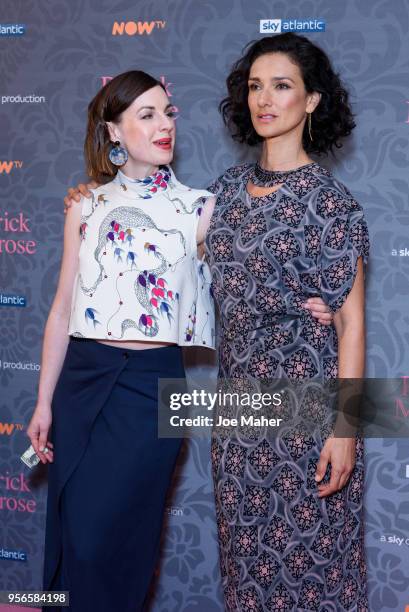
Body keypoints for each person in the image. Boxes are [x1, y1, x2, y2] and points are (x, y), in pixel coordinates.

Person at [27, 70, 217, 612]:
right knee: (80, 539)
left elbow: (255, 273)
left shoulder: (200, 209)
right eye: (147, 115)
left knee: (126, 542)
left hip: (154, 389)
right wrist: (43, 401)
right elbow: (62, 308)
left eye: (169, 113)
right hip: (83, 383)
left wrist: (322, 303)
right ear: (114, 130)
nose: (165, 126)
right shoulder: (83, 206)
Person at [206, 33, 370, 610]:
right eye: (255, 86)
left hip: (307, 412)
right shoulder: (222, 194)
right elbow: (157, 239)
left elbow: (350, 325)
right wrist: (96, 194)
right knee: (246, 578)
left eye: (282, 85)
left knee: (316, 575)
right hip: (236, 417)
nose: (264, 99)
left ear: (311, 101)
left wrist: (345, 430)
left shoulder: (332, 203)